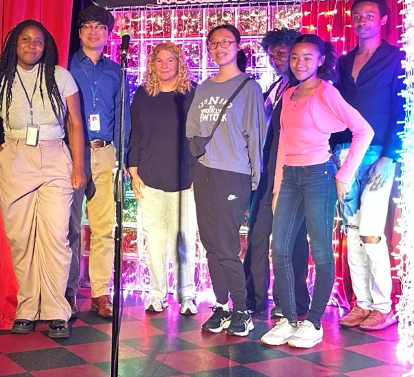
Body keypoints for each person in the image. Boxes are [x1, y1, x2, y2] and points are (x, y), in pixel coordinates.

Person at [261, 34, 373, 349]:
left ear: (321, 60)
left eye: (308, 57)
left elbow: (364, 131)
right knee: (280, 249)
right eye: (295, 57)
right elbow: (283, 141)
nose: (300, 63)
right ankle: (289, 320)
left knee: (321, 252)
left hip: (317, 176)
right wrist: (276, 187)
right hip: (291, 178)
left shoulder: (327, 93)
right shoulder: (289, 94)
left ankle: (313, 323)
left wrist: (344, 174)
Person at [0, 20, 86, 339]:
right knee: (21, 238)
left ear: (47, 46)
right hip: (16, 155)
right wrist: (2, 153)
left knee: (56, 235)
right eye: (26, 39)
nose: (32, 45)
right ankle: (28, 308)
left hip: (55, 152)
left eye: (39, 41)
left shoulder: (60, 75)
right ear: (14, 42)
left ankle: (57, 309)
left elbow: (75, 124)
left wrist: (78, 166)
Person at [185, 24, 265, 337]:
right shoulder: (203, 87)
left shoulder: (249, 87)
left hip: (234, 174)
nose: (220, 48)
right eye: (214, 43)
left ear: (238, 45)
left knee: (227, 246)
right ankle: (221, 306)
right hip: (204, 172)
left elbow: (255, 135)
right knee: (210, 245)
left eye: (226, 42)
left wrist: (254, 180)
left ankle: (243, 311)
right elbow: (192, 129)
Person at [332, 0, 404, 331]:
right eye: (357, 16)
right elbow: (337, 110)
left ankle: (383, 306)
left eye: (369, 16)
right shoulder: (344, 62)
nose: (362, 21)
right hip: (347, 152)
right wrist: (333, 152)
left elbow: (402, 109)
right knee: (353, 230)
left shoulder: (396, 58)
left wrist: (391, 155)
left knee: (373, 232)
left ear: (383, 20)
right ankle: (360, 304)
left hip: (378, 153)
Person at [67, 5, 130, 319]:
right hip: (70, 154)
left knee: (105, 228)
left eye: (100, 27)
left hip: (105, 153)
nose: (94, 31)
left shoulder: (116, 71)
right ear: (79, 32)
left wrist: (123, 158)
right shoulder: (64, 68)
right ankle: (66, 293)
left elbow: (122, 118)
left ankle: (101, 294)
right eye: (88, 26)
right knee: (68, 228)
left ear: (109, 34)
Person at [244, 28, 311, 318]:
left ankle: (292, 303)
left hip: (293, 173)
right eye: (271, 54)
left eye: (282, 53)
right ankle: (252, 299)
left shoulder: (307, 90)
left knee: (292, 239)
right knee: (258, 235)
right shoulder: (275, 87)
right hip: (265, 171)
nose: (275, 59)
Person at [128, 42, 198, 315]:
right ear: (152, 64)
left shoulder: (191, 94)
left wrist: (197, 172)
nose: (165, 65)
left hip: (184, 179)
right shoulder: (143, 95)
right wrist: (133, 170)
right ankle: (157, 294)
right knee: (154, 239)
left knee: (183, 240)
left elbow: (198, 137)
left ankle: (187, 295)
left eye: (171, 60)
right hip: (149, 177)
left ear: (179, 63)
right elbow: (135, 134)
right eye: (159, 60)